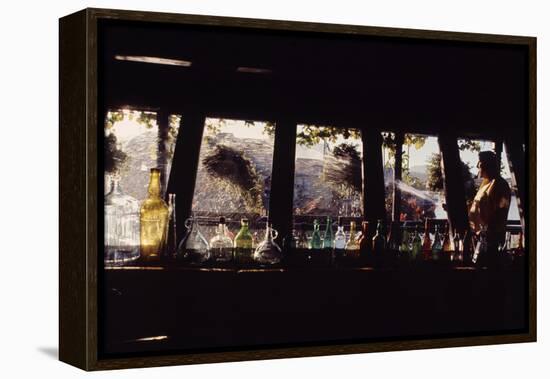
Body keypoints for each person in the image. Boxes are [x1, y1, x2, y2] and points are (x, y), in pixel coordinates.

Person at [468, 151, 511, 266]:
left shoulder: (500, 185)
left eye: (480, 163)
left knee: (487, 275)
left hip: (491, 243)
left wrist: (487, 233)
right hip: (479, 239)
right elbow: (479, 206)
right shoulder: (486, 183)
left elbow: (500, 209)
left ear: (487, 165)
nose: (477, 166)